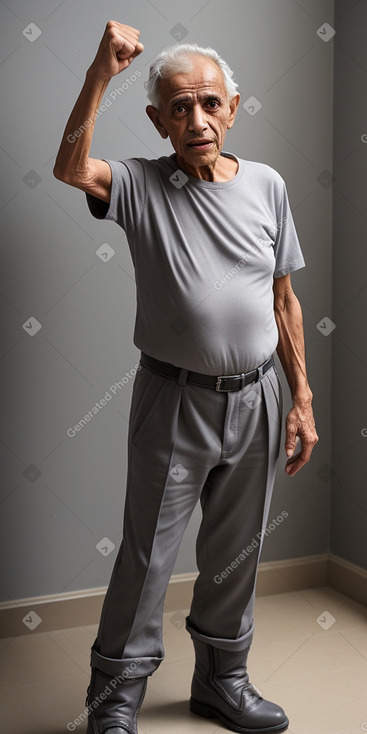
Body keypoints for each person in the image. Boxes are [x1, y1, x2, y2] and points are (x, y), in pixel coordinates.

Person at [54, 21, 318, 734]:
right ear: (157, 120)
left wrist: (300, 399)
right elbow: (72, 169)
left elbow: (283, 299)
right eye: (178, 108)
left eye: (208, 104)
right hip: (174, 398)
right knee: (145, 554)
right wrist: (99, 74)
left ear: (233, 107)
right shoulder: (140, 183)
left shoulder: (267, 184)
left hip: (260, 396)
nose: (195, 121)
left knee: (238, 551)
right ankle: (115, 694)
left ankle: (221, 682)